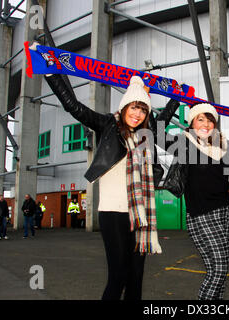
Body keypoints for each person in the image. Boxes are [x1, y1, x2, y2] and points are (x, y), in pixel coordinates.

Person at [42, 49, 179, 299]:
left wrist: (177, 96)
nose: (137, 114)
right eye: (133, 108)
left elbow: (166, 117)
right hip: (113, 212)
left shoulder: (148, 135)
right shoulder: (107, 125)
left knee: (136, 277)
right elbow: (74, 108)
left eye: (142, 110)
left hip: (140, 214)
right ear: (125, 106)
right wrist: (51, 72)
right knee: (118, 276)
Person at [163, 103, 229, 300]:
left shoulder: (226, 147)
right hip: (201, 215)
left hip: (224, 214)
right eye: (200, 119)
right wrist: (174, 99)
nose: (206, 124)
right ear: (191, 123)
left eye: (210, 120)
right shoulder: (185, 144)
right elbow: (157, 128)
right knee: (219, 269)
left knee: (221, 271)